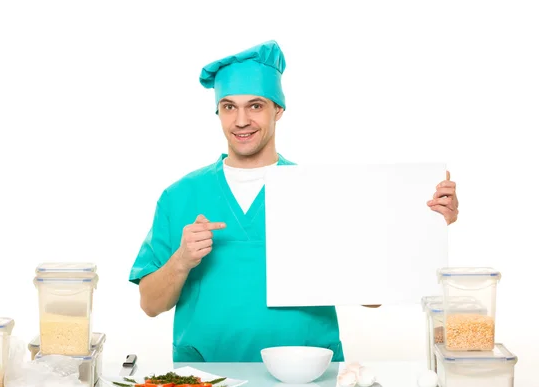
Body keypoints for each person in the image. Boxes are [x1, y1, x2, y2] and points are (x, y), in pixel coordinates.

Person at [128, 40, 459, 363]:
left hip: (307, 372)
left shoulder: (318, 192)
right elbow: (150, 304)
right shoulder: (180, 196)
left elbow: (371, 297)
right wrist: (182, 260)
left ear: (278, 110)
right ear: (218, 112)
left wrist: (426, 226)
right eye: (229, 106)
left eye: (255, 105)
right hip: (208, 374)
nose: (241, 121)